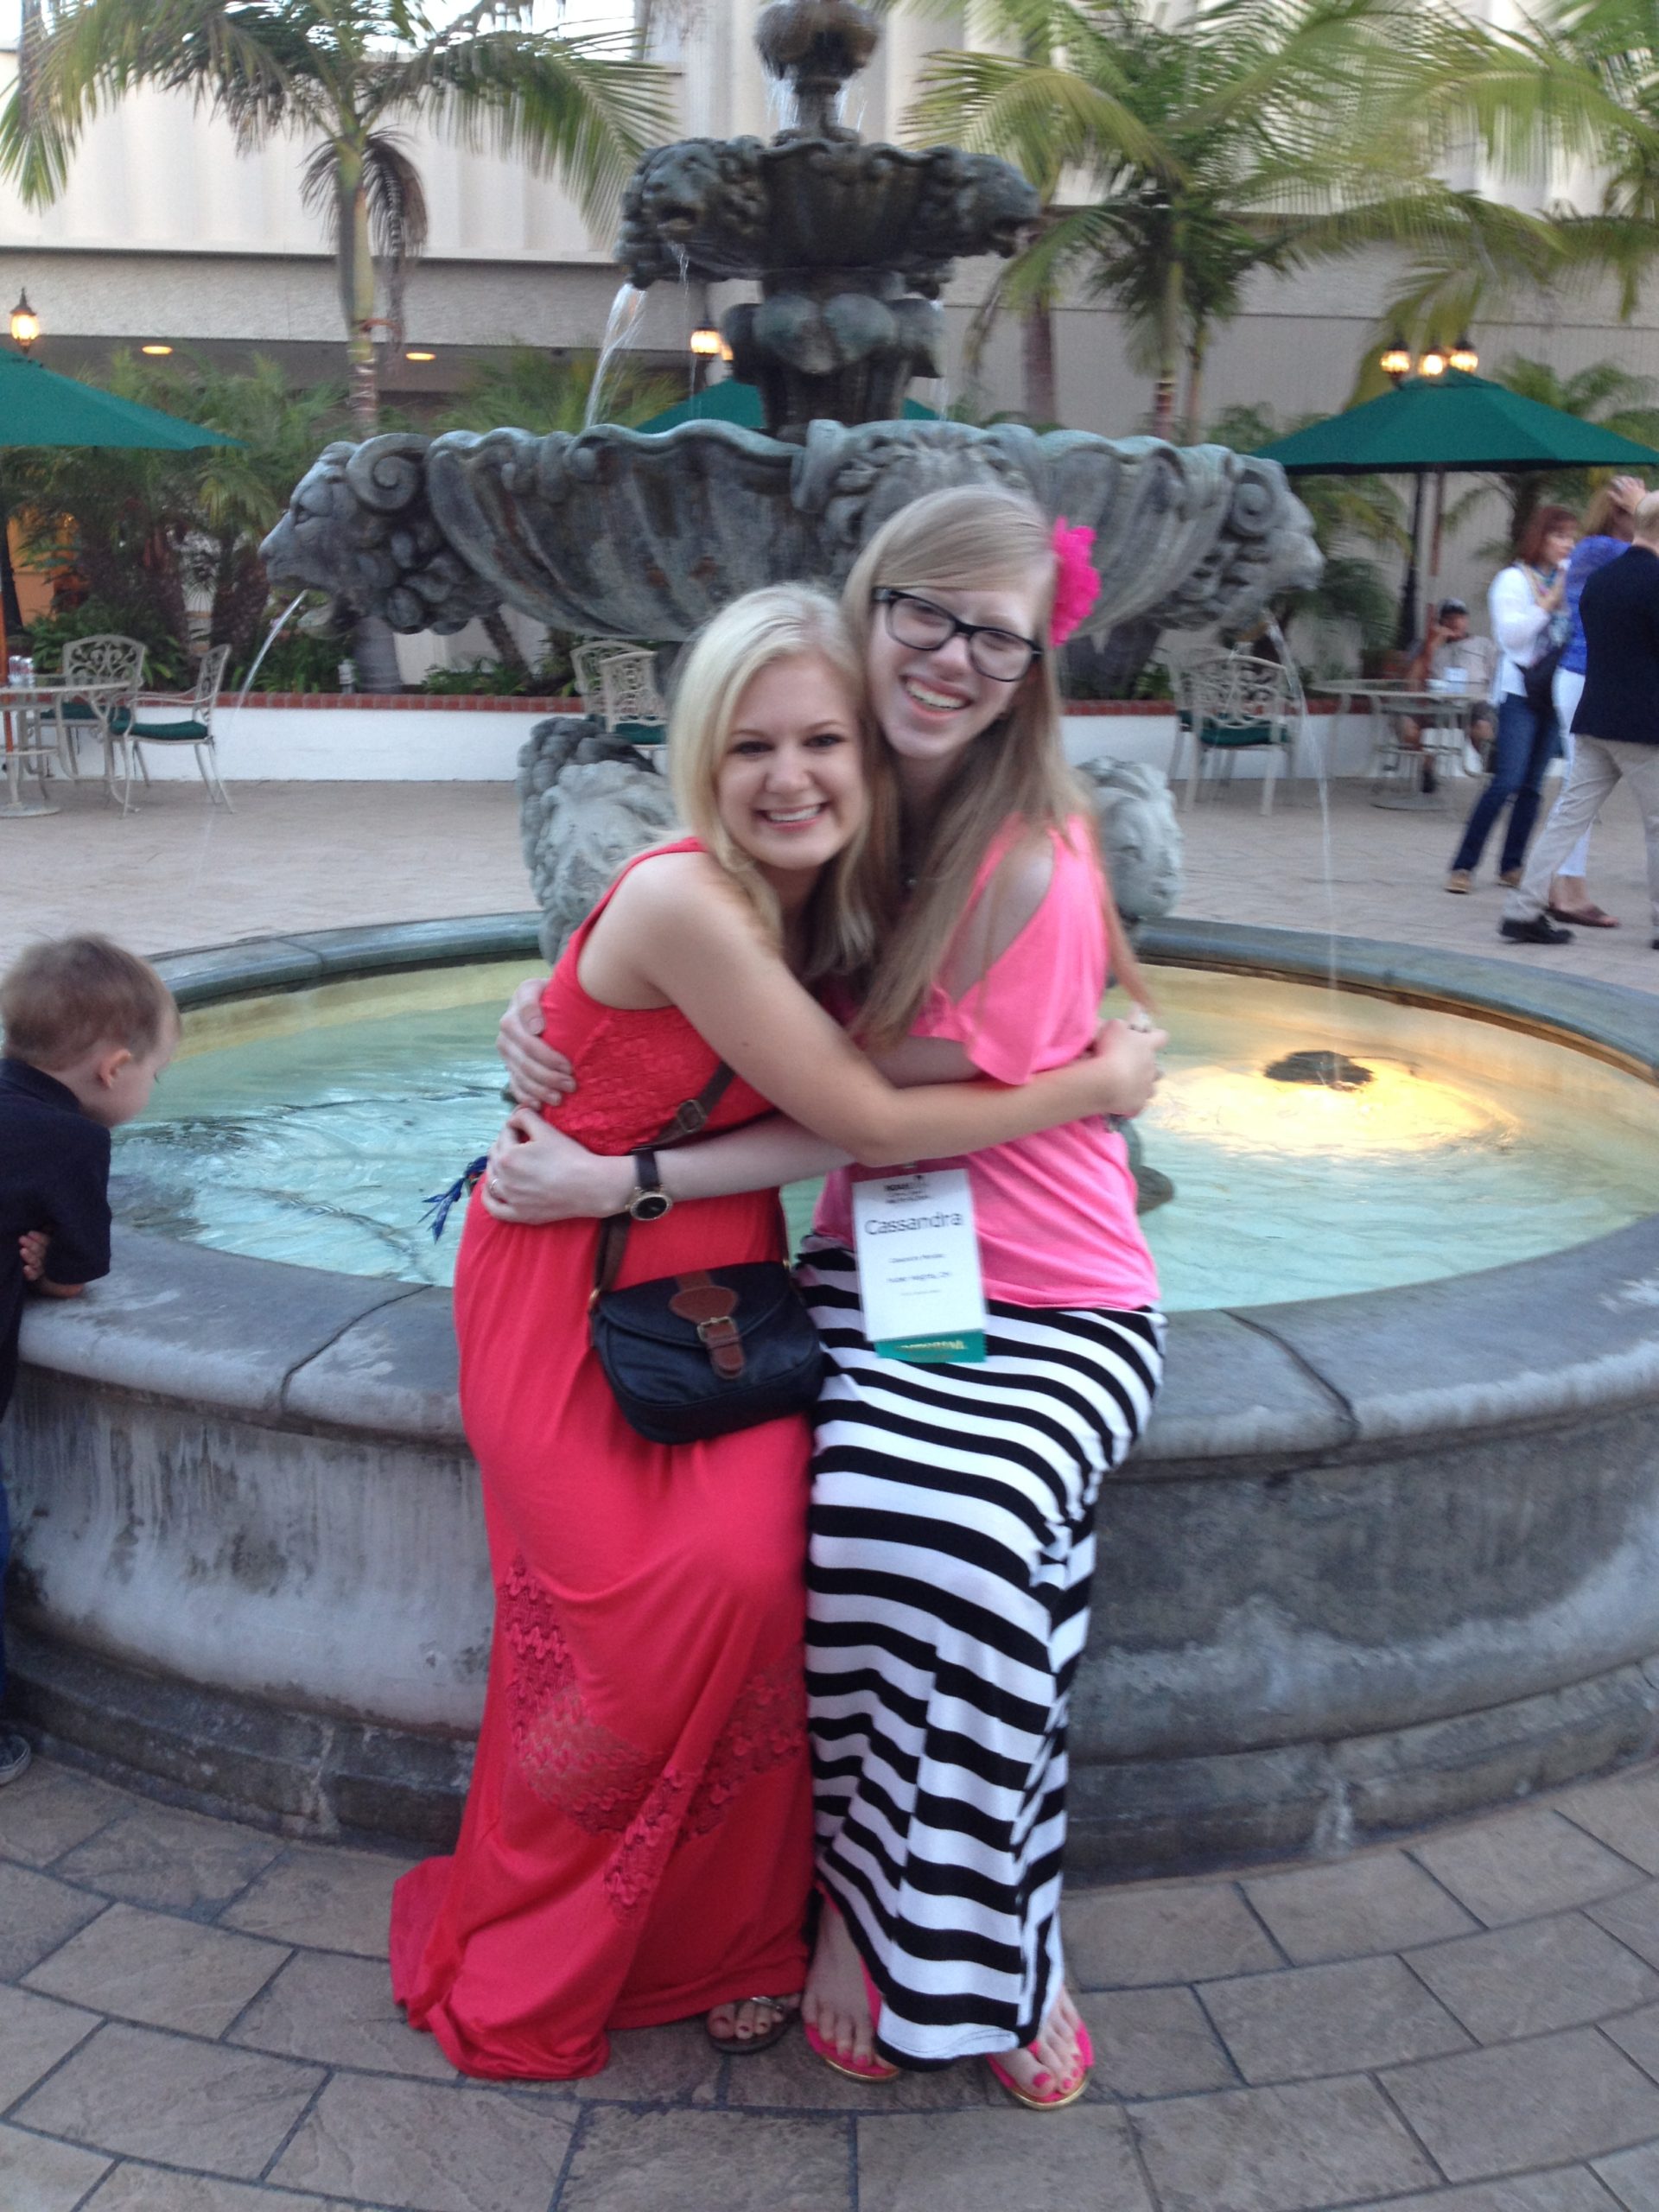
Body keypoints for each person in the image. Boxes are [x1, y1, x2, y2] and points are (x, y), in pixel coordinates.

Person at [390, 580, 1163, 2085]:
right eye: (750, 748)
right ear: (701, 760)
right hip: (571, 1272)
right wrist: (1100, 1084)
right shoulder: (693, 894)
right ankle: (551, 1931)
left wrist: (637, 1157)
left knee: (758, 1580)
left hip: (718, 1264)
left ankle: (736, 1939)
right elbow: (863, 1116)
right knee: (636, 1624)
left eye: (823, 741)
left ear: (873, 761)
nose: (791, 775)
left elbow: (822, 1120)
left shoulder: (846, 896)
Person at [0, 935, 179, 1787]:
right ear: (113, 1069)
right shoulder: (72, 1143)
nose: (151, 1087)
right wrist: (49, 1265)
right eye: (156, 1073)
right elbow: (74, 1273)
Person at [1503, 488, 1659, 948]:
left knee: (1567, 818)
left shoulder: (1601, 579)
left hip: (1594, 717)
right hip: (1645, 724)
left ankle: (1523, 909)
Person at [1446, 505, 1579, 893]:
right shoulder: (1513, 580)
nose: (1567, 544)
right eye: (1559, 535)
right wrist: (1550, 601)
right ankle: (1464, 866)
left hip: (1554, 692)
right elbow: (1512, 637)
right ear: (1539, 537)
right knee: (1507, 780)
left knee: (1534, 786)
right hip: (1519, 691)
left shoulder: (1569, 581)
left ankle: (1511, 865)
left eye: (1571, 536)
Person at [1539, 476, 1645, 927]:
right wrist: (1647, 509)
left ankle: (1554, 887)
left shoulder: (1602, 552)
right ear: (1622, 515)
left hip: (1594, 680)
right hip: (1586, 679)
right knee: (1580, 792)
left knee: (1581, 792)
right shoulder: (1600, 550)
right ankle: (1566, 891)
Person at [1401, 599, 1497, 793]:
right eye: (1450, 618)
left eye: (1460, 618)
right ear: (1441, 621)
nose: (1455, 623)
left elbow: (1497, 678)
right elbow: (1411, 682)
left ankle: (1492, 772)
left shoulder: (1483, 645)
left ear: (1467, 620)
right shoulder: (1427, 644)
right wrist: (1431, 647)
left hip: (1473, 702)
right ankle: (1427, 766)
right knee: (1405, 725)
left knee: (1482, 727)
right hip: (1435, 703)